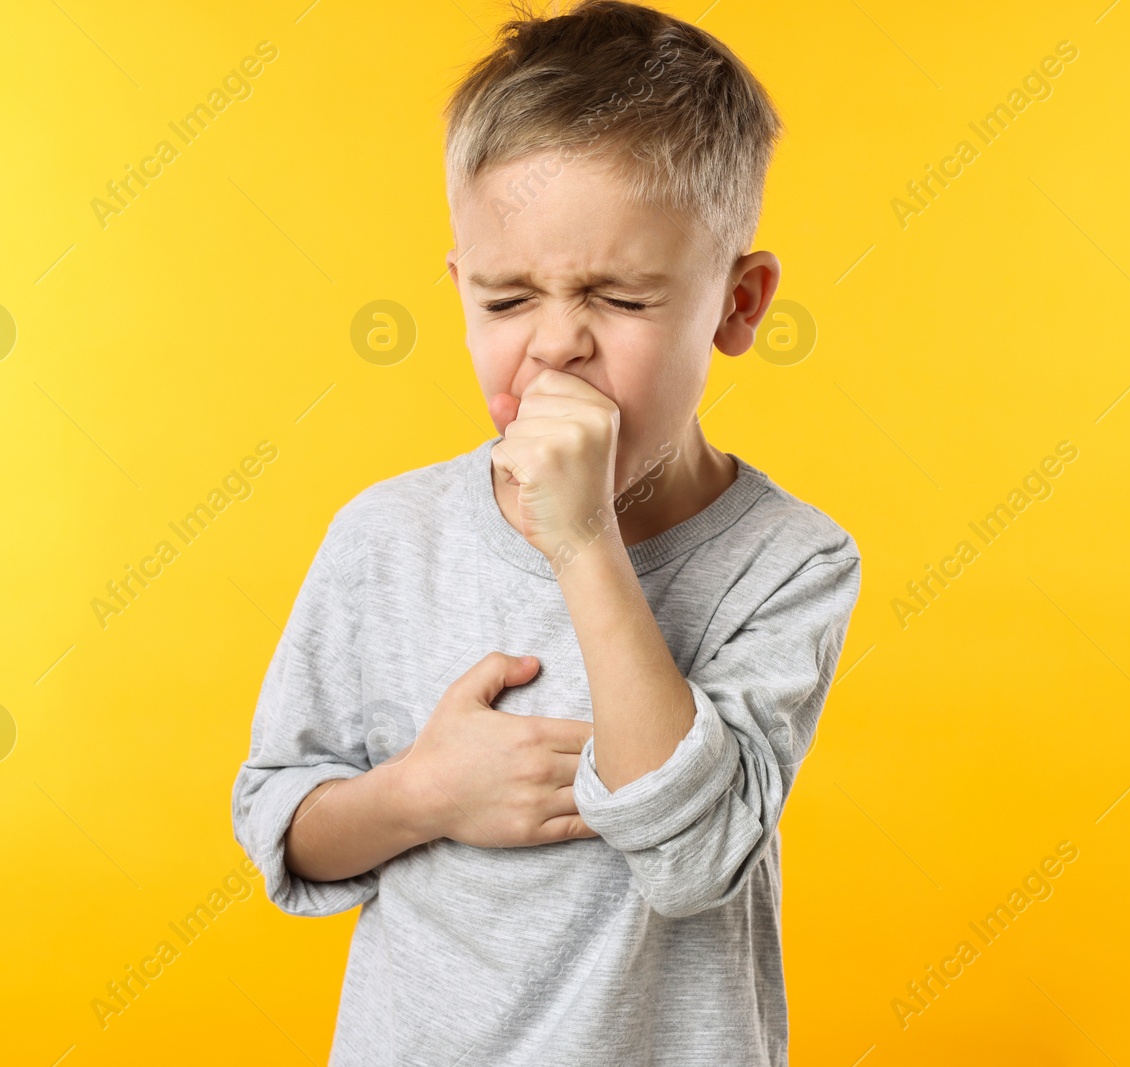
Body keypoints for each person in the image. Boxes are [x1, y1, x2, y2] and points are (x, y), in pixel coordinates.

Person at [231, 3, 862, 1062]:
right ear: (459, 291)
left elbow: (695, 850)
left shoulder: (789, 560)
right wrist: (424, 791)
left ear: (737, 305)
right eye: (507, 298)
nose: (555, 348)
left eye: (618, 298)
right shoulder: (384, 539)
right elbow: (285, 824)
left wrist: (583, 546)